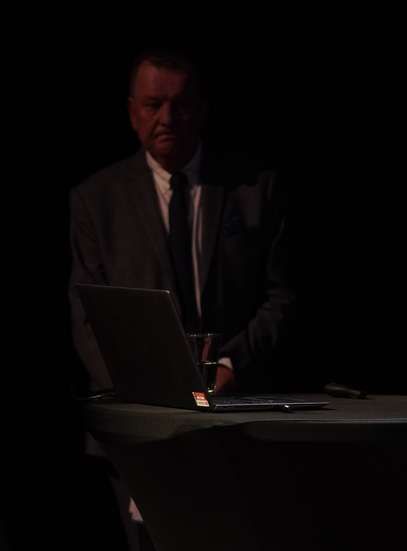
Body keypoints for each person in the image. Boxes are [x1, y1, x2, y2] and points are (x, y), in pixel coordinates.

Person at [68, 49, 294, 549]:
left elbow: (282, 297)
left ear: (202, 110)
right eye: (154, 105)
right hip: (140, 436)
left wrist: (232, 363)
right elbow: (87, 317)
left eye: (181, 105)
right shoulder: (96, 201)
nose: (168, 118)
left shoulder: (254, 189)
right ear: (132, 112)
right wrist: (143, 389)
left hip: (239, 427)